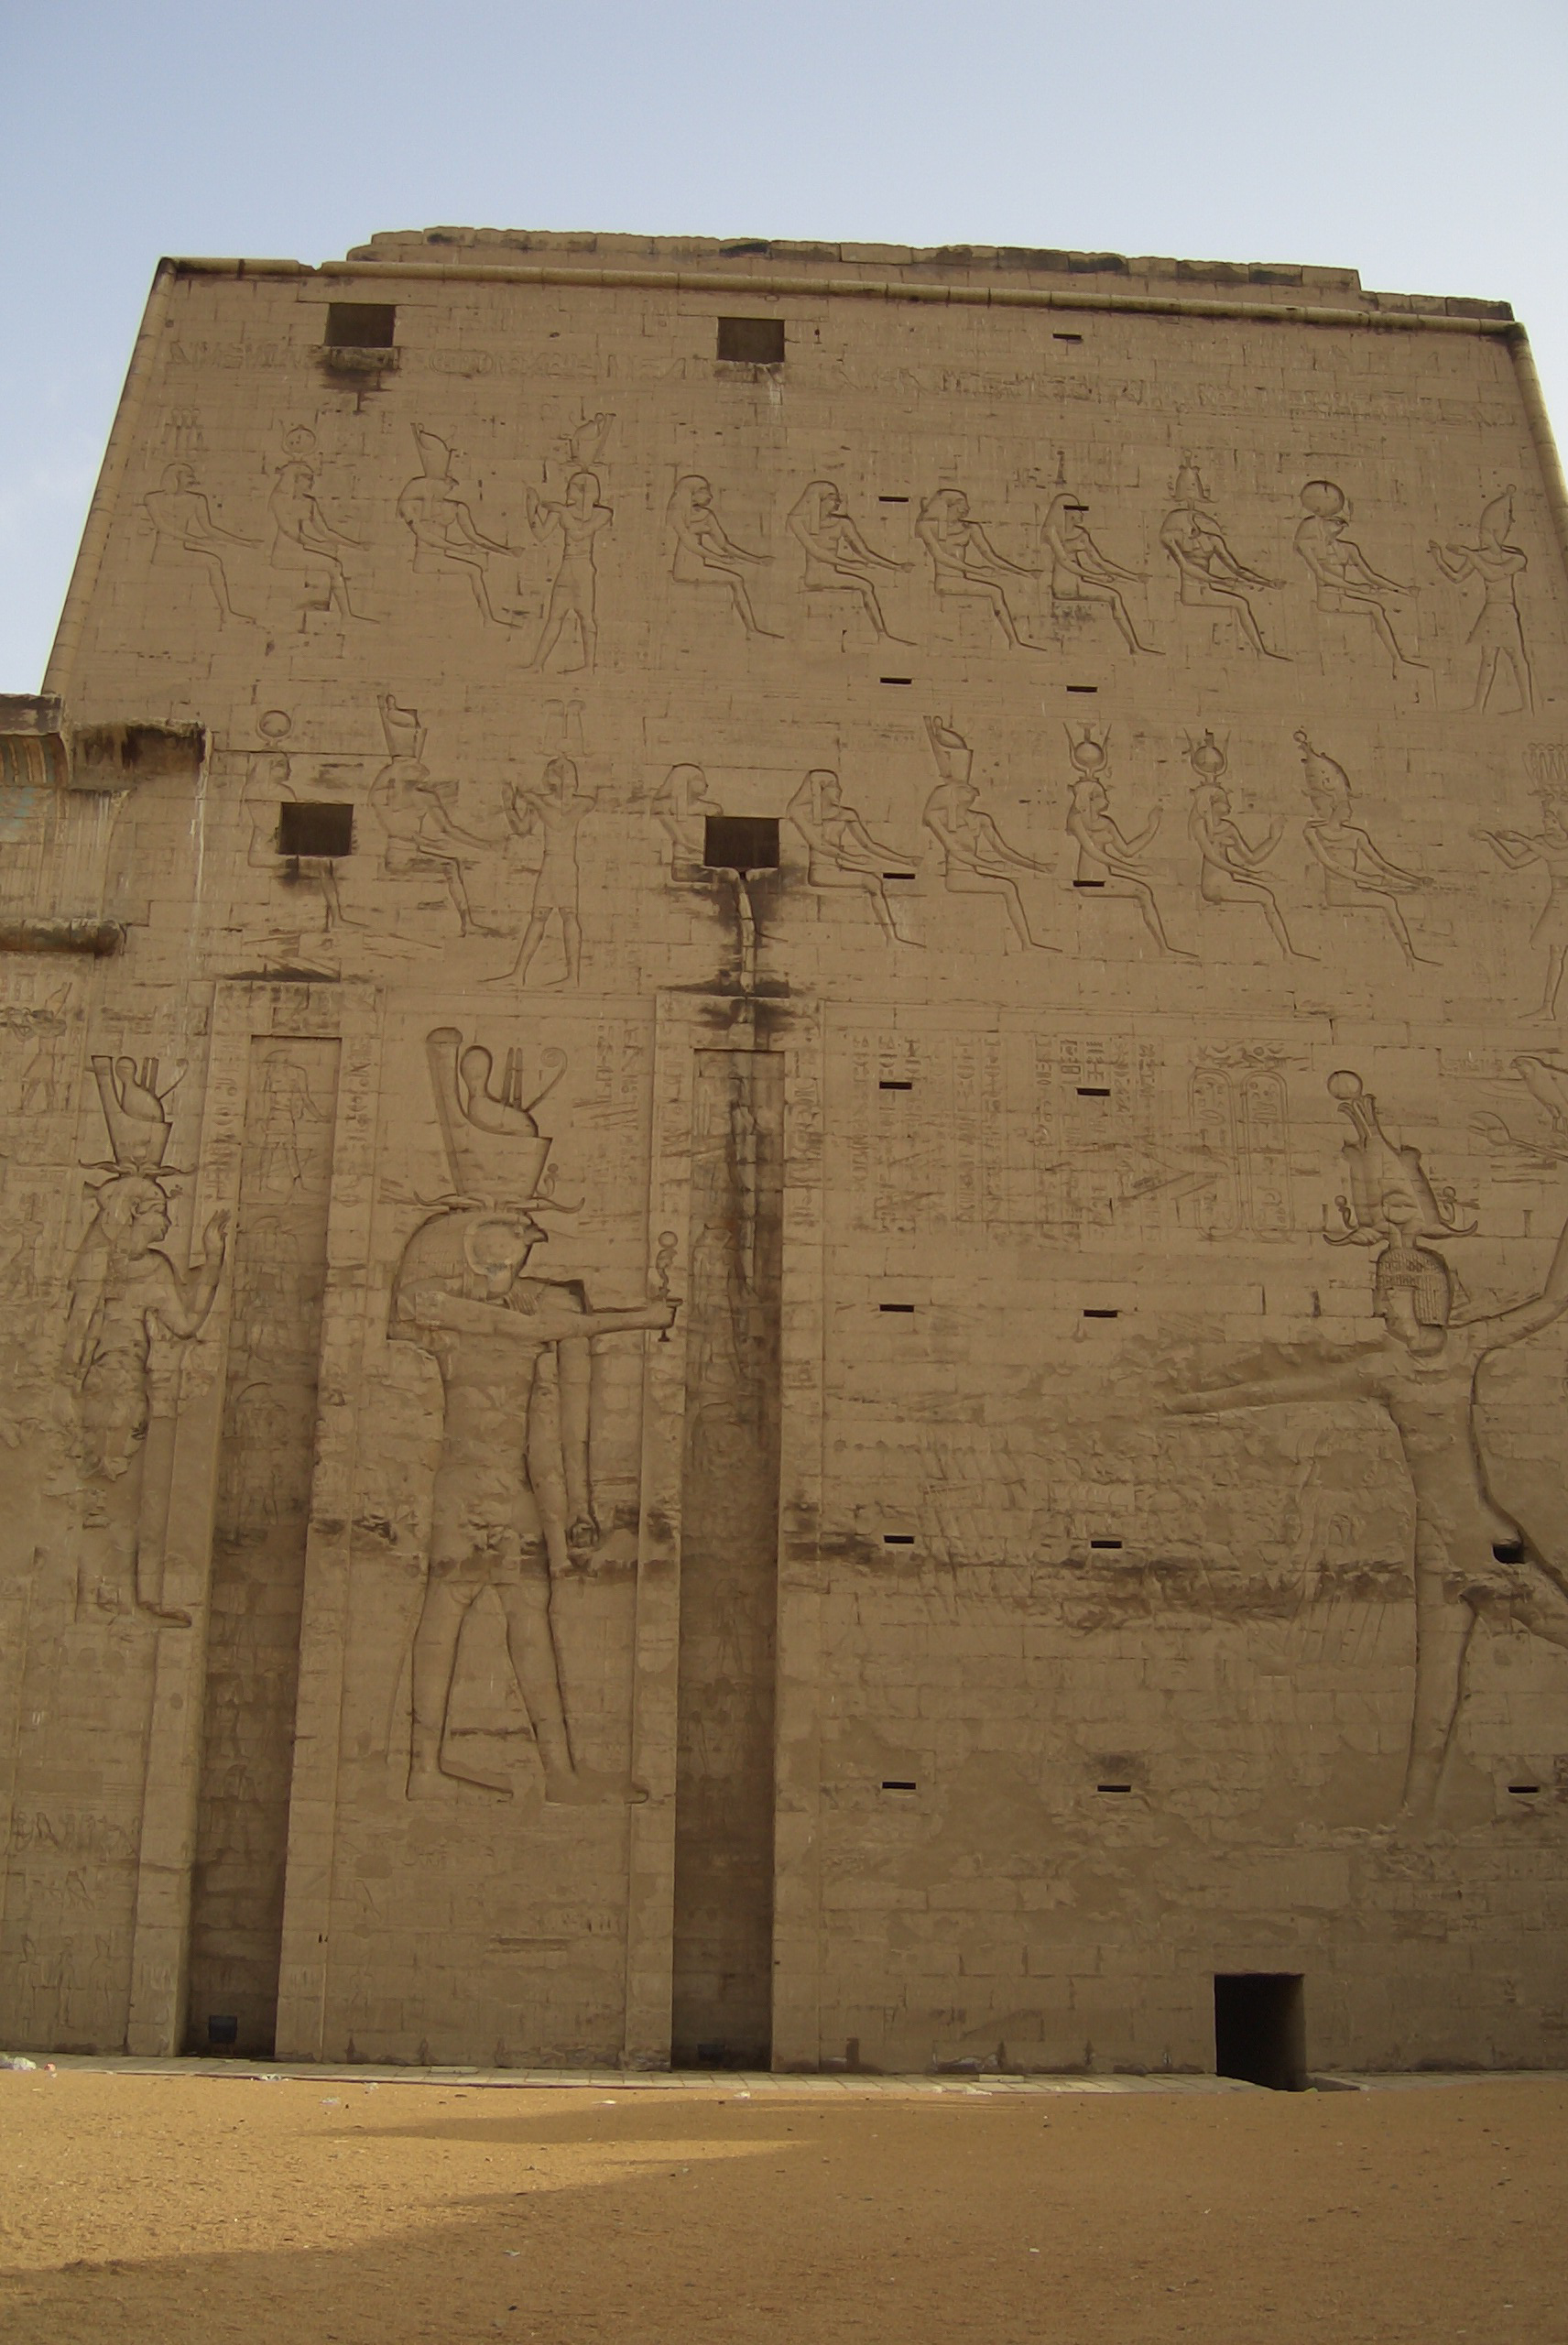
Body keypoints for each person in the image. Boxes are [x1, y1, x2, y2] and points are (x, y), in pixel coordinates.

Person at [1171, 1071, 1568, 1819]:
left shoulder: (1459, 1352)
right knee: (1434, 1696)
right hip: (1436, 1546)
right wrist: (1199, 1401)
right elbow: (1286, 1387)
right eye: (1385, 1298)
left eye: (1394, 1296)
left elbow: (1553, 1301)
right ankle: (1412, 1828)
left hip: (1484, 1542)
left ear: (1424, 1297)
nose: (1387, 1309)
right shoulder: (1385, 1369)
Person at [392, 1200, 676, 1800]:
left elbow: (549, 1341)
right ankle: (423, 1768)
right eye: (512, 1258)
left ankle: (559, 1773)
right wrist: (643, 1318)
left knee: (529, 1619)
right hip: (464, 1489)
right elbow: (534, 1327)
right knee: (445, 1615)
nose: (517, 1270)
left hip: (506, 1485)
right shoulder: (459, 1318)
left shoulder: (501, 1319)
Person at [62, 1174, 228, 1619]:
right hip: (102, 1385)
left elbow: (186, 1324)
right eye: (160, 1213)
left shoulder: (155, 1268)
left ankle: (121, 1595)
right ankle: (88, 1596)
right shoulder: (99, 1262)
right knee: (98, 1490)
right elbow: (78, 1330)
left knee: (128, 1496)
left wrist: (213, 1259)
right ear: (134, 1213)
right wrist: (67, 1388)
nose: (167, 1223)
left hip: (133, 1386)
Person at [1297, 730, 1430, 966]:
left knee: (1394, 896)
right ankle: (1410, 957)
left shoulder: (1356, 835)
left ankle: (1411, 955)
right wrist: (1368, 880)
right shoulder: (1314, 832)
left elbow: (1382, 865)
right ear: (1334, 806)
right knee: (1388, 902)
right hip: (1339, 894)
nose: (1350, 810)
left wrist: (1414, 879)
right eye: (1345, 805)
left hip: (1355, 887)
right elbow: (1332, 865)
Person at [922, 718, 1055, 950]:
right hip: (958, 877)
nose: (971, 790)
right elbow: (957, 852)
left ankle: (1027, 944)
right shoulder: (939, 817)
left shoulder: (980, 820)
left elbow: (1003, 850)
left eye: (969, 787)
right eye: (963, 788)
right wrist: (990, 866)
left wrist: (1036, 866)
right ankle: (1027, 944)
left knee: (1009, 886)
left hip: (973, 872)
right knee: (1008, 888)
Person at [1064, 736, 1192, 958]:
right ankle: (1164, 949)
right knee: (1143, 891)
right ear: (1089, 798)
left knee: (1144, 891)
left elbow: (1127, 850)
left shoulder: (1105, 823)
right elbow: (1094, 852)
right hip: (1088, 881)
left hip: (1105, 878)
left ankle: (1164, 948)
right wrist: (1133, 870)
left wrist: (1152, 827)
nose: (1106, 799)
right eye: (1101, 795)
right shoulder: (1077, 820)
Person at [1186, 736, 1302, 960]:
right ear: (1210, 802)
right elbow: (1214, 858)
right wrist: (1252, 875)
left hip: (1228, 881)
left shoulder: (1229, 828)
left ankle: (1288, 952)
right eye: (1223, 799)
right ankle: (1287, 952)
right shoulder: (1200, 825)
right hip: (1213, 886)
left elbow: (1251, 858)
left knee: (1267, 896)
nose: (1228, 803)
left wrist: (1273, 838)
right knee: (1266, 897)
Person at [1293, 479, 1425, 672]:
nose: (1339, 527)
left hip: (1343, 595)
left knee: (1377, 607)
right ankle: (1397, 660)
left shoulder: (1348, 549)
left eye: (1341, 524)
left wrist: (1404, 591)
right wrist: (1357, 588)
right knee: (1375, 609)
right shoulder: (1308, 545)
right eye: (1335, 522)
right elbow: (1323, 576)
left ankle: (1398, 660)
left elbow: (1371, 576)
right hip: (1329, 599)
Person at [368, 751, 502, 937]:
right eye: (411, 769)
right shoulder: (385, 796)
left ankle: (467, 923)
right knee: (450, 866)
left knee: (452, 865)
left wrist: (483, 845)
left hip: (411, 853)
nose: (418, 772)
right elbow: (396, 830)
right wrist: (430, 843)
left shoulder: (424, 797)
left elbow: (449, 828)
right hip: (398, 857)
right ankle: (467, 923)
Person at [397, 429, 519, 626]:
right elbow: (425, 536)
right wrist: (459, 549)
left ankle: (488, 619)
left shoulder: (455, 508)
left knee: (478, 567)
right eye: (447, 484)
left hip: (440, 557)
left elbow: (474, 536)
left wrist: (505, 551)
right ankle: (488, 619)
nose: (450, 488)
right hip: (425, 560)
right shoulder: (412, 505)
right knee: (474, 570)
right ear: (431, 485)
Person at [1159, 465, 1283, 658]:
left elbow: (1237, 569)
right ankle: (1261, 652)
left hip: (1206, 589)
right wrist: (1220, 581)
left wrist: (1267, 582)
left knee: (1242, 603)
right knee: (1240, 603)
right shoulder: (1173, 535)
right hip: (1192, 593)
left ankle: (1261, 652)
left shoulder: (1213, 540)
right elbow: (1186, 566)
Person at [493, 756, 596, 985]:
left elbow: (560, 823)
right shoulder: (542, 802)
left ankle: (572, 977)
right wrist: (509, 806)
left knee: (569, 915)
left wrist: (535, 801)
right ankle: (518, 974)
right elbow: (522, 830)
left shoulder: (582, 802)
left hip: (565, 864)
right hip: (550, 862)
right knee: (538, 916)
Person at [787, 769, 920, 943]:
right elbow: (819, 845)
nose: (839, 790)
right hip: (821, 872)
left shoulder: (846, 814)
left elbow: (869, 845)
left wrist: (905, 860)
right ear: (819, 789)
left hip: (839, 865)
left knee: (875, 872)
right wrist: (854, 859)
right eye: (833, 786)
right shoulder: (801, 813)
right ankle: (891, 938)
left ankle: (891, 937)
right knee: (872, 882)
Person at [1430, 489, 1533, 713]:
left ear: (1495, 533)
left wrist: (1469, 554)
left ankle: (1527, 707)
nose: (1480, 536)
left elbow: (1493, 575)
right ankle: (1478, 707)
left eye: (1484, 532)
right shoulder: (1479, 555)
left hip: (1506, 611)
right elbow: (1457, 577)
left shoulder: (1516, 557)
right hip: (1490, 611)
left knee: (1516, 656)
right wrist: (1439, 558)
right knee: (1487, 658)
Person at [1476, 786, 1568, 1020]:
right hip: (1559, 900)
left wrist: (1519, 838)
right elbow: (1514, 863)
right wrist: (1490, 840)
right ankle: (1547, 1007)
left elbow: (1553, 855)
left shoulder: (1545, 845)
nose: (1546, 823)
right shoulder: (1543, 842)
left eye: (1550, 819)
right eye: (1545, 818)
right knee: (1556, 952)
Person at [915, 490, 1039, 650]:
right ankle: (1014, 643)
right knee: (995, 592)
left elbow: (990, 556)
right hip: (946, 581)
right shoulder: (927, 526)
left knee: (999, 589)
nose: (963, 511)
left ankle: (1014, 642)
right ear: (947, 506)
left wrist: (1023, 572)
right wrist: (978, 571)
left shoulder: (970, 528)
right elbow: (940, 556)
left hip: (961, 579)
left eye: (965, 508)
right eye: (960, 507)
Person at [787, 482, 910, 640]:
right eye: (832, 498)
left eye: (838, 498)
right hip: (815, 576)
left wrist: (896, 567)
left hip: (830, 574)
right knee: (866, 586)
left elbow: (863, 552)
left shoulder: (843, 523)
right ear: (818, 499)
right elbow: (816, 552)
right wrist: (849, 565)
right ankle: (882, 635)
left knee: (866, 585)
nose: (838, 502)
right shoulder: (798, 521)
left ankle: (882, 635)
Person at [1041, 491, 1160, 654]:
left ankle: (1134, 647)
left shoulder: (1081, 535)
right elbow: (1065, 562)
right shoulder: (1051, 532)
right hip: (1064, 585)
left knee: (1115, 596)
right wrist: (1097, 577)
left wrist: (1134, 577)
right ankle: (1134, 647)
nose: (1082, 514)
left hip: (1078, 582)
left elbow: (1100, 562)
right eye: (1079, 510)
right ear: (1068, 512)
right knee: (1114, 597)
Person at [523, 470, 613, 671]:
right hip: (567, 567)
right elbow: (541, 534)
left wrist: (562, 511)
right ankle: (537, 664)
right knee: (555, 617)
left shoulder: (602, 513)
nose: (567, 490)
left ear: (584, 491)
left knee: (586, 617)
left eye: (571, 486)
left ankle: (589, 667)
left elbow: (579, 534)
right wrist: (531, 508)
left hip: (583, 568)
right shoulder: (562, 511)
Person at [666, 474, 777, 636]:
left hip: (699, 565)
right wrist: (720, 559)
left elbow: (724, 545)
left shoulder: (707, 515)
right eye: (702, 490)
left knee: (737, 579)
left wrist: (757, 560)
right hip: (685, 568)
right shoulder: (676, 513)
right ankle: (751, 630)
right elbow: (691, 545)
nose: (709, 495)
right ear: (689, 492)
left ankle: (752, 629)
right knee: (736, 580)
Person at [143, 463, 256, 621]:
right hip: (164, 552)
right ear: (175, 477)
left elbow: (209, 529)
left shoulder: (197, 499)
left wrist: (245, 543)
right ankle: (226, 613)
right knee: (213, 562)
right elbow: (164, 527)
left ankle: (226, 613)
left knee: (215, 561)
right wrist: (198, 541)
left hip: (180, 549)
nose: (192, 479)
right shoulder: (153, 498)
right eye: (188, 475)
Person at [267, 458, 367, 624]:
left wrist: (356, 545)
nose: (311, 483)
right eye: (308, 479)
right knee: (334, 566)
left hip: (301, 550)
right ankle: (346, 615)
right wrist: (319, 545)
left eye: (311, 479)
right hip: (285, 553)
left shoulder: (309, 502)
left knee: (334, 560)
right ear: (295, 479)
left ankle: (338, 611)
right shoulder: (279, 499)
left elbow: (325, 531)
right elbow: (289, 531)